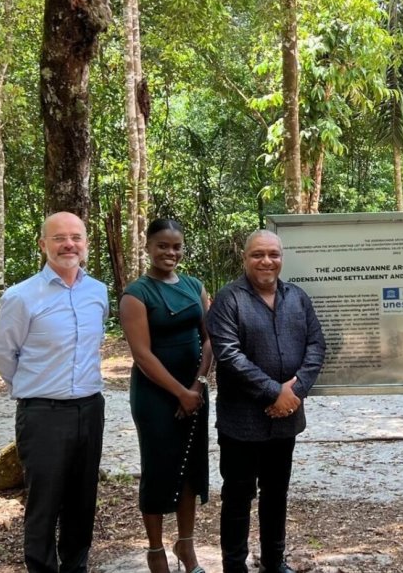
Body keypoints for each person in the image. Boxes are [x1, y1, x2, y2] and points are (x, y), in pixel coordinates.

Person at [0, 212, 109, 573]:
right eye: (59, 238)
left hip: (90, 407)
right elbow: (3, 354)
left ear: (86, 244)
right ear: (43, 245)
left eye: (76, 237)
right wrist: (32, 389)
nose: (68, 244)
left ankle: (76, 567)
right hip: (42, 413)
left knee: (82, 500)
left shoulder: (98, 291)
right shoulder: (21, 297)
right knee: (44, 503)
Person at [206, 229, 326, 573]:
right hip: (240, 422)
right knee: (238, 496)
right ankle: (234, 565)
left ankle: (274, 561)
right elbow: (229, 356)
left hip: (284, 420)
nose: (266, 261)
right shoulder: (229, 299)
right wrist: (276, 392)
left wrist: (296, 391)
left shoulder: (297, 298)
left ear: (281, 258)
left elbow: (316, 346)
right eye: (258, 254)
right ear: (245, 258)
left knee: (276, 494)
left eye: (273, 254)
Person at [120, 219, 213, 573]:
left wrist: (198, 385)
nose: (170, 253)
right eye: (162, 245)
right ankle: (155, 549)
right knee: (158, 467)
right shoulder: (136, 293)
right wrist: (179, 392)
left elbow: (209, 338)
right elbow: (142, 354)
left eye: (176, 246)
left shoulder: (194, 286)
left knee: (191, 467)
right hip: (155, 394)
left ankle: (186, 546)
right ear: (148, 246)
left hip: (195, 388)